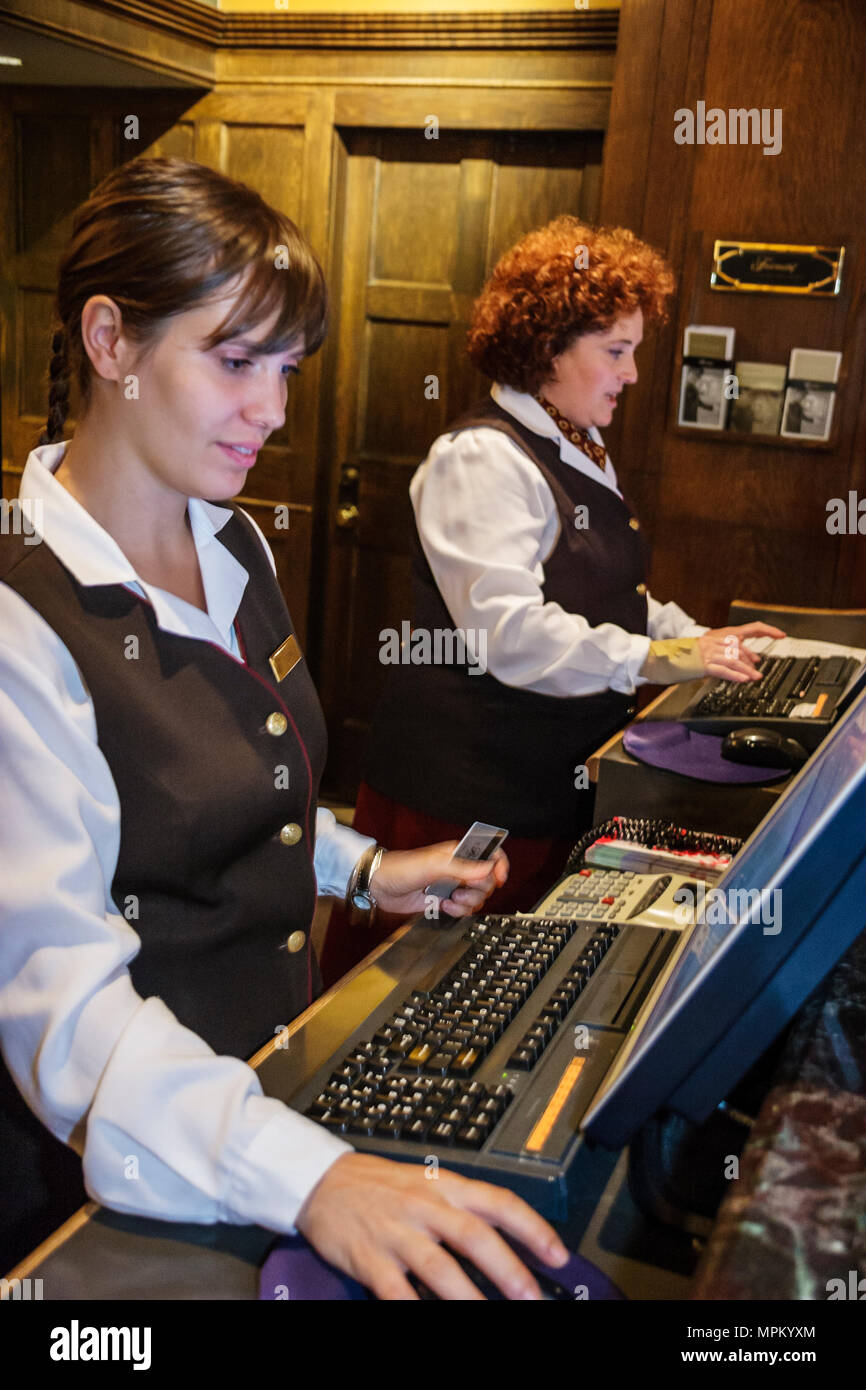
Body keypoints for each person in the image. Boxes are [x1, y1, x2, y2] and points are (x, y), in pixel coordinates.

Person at [0, 156, 572, 1298]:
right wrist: (314, 1181)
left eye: (287, 369)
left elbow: (216, 794)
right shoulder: (19, 617)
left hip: (259, 1105)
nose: (272, 409)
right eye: (233, 361)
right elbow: (62, 1007)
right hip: (97, 1200)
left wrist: (362, 867)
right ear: (109, 342)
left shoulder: (236, 544)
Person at [321, 216, 783, 985]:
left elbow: (612, 594)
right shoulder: (479, 457)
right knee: (402, 992)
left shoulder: (575, 445)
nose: (632, 374)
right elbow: (512, 633)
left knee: (487, 992)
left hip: (539, 784)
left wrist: (703, 640)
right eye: (616, 352)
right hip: (460, 788)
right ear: (547, 348)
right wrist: (667, 658)